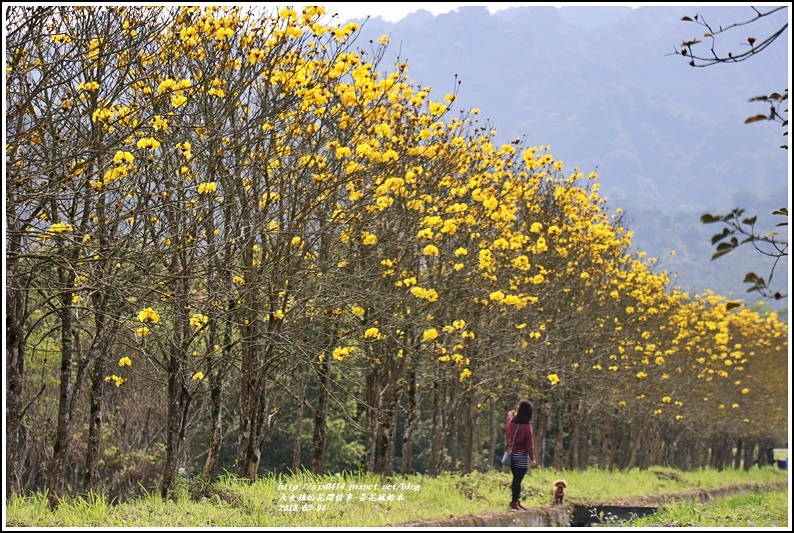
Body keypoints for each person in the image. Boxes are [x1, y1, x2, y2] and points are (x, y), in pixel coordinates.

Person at [505, 399, 538, 511]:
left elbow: (507, 428)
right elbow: (529, 444)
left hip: (512, 454)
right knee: (517, 480)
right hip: (522, 456)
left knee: (515, 479)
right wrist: (533, 458)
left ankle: (516, 501)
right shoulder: (527, 427)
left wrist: (509, 416)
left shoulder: (512, 423)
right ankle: (514, 502)